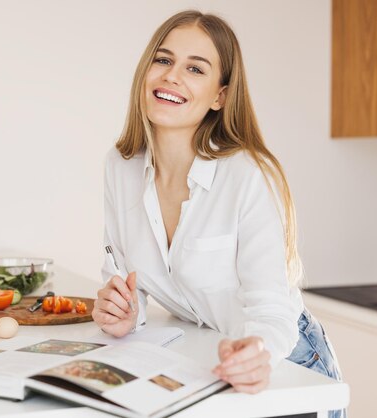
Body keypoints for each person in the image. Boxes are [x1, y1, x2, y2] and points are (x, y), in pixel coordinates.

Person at [91, 10, 344, 417]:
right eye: (163, 59)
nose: (172, 76)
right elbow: (123, 282)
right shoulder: (120, 166)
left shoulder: (247, 175)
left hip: (283, 361)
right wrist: (121, 313)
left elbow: (272, 311)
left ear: (219, 96)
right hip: (209, 358)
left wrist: (255, 353)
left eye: (195, 68)